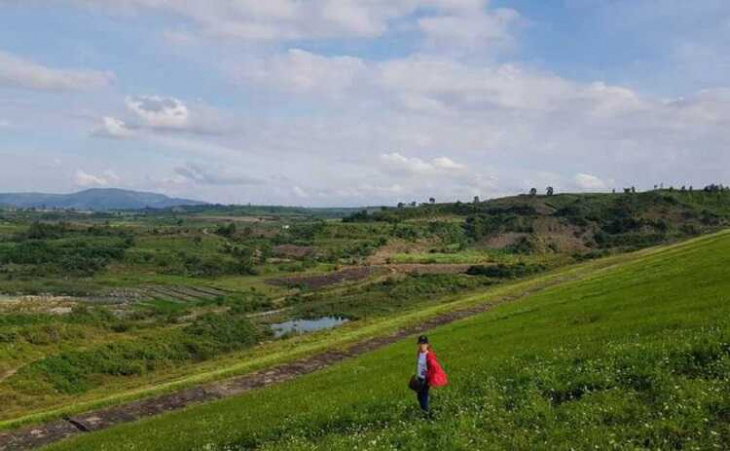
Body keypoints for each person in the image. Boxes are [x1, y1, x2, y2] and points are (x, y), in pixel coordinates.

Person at [414, 335, 448, 416]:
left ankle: (426, 413)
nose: (421, 345)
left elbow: (434, 368)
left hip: (425, 379)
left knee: (423, 396)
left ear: (427, 345)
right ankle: (424, 411)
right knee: (419, 396)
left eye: (423, 344)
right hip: (419, 378)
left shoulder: (429, 355)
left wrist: (427, 375)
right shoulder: (419, 353)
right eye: (420, 344)